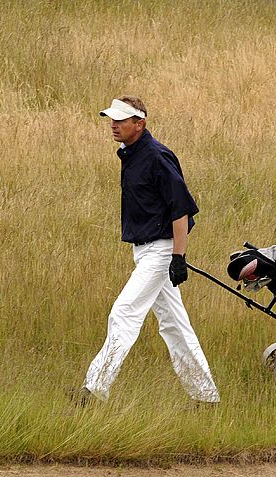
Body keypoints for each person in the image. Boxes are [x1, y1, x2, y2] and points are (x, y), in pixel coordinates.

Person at [77, 96, 220, 405]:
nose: (113, 125)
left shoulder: (157, 156)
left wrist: (178, 257)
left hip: (160, 250)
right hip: (145, 251)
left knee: (124, 312)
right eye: (111, 119)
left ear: (139, 124)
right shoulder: (130, 154)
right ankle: (207, 398)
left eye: (121, 120)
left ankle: (93, 390)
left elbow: (179, 210)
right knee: (175, 326)